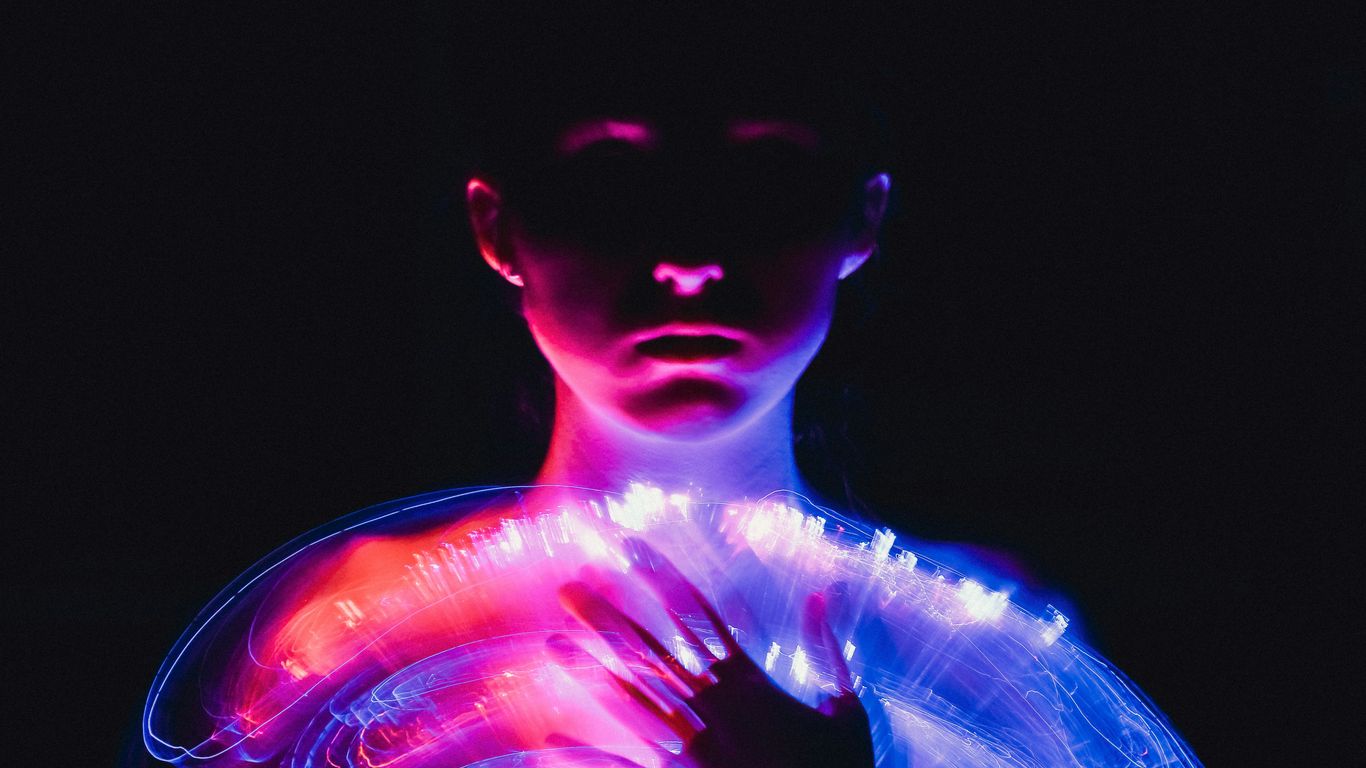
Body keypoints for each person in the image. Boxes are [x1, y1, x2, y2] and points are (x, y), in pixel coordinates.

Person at [139, 35, 1200, 768]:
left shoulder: (976, 650)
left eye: (761, 181)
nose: (688, 259)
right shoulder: (344, 642)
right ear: (498, 229)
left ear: (861, 221)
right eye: (614, 183)